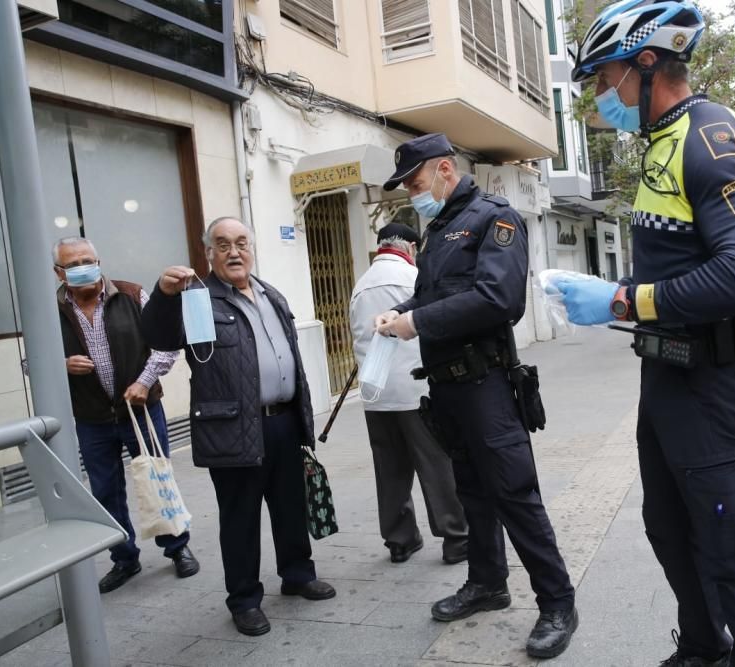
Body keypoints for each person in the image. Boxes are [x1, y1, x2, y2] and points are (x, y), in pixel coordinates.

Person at [562, 2, 735, 666]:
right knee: (668, 526)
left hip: (715, 382)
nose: (598, 97)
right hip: (667, 377)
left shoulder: (710, 138)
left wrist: (620, 297)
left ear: (645, 65)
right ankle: (703, 647)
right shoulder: (661, 140)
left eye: (603, 80)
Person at [375, 133, 578, 659]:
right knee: (472, 494)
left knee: (514, 495)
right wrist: (400, 312)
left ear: (444, 169)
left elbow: (499, 299)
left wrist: (416, 321)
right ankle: (487, 584)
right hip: (446, 388)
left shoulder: (495, 217)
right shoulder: (438, 228)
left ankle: (557, 602)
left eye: (417, 183)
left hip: (486, 384)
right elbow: (431, 295)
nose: (413, 194)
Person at [141, 217, 335, 637]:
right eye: (223, 244)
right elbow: (159, 337)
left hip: (283, 420)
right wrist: (163, 295)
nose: (234, 251)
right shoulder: (197, 301)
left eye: (242, 242)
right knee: (240, 518)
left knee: (290, 506)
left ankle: (298, 574)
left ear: (252, 247)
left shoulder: (271, 294)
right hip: (232, 429)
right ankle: (244, 599)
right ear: (208, 253)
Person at [51, 236, 197, 594]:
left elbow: (165, 345)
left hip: (140, 410)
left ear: (99, 261)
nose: (82, 267)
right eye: (72, 264)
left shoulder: (132, 295)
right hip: (91, 418)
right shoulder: (48, 310)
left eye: (88, 260)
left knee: (157, 480)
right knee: (104, 491)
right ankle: (124, 558)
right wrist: (61, 365)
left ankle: (177, 548)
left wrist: (144, 382)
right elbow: (29, 362)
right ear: (58, 272)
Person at [349, 222, 469, 565]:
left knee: (390, 470)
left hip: (375, 393)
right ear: (412, 247)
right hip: (417, 390)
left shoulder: (361, 285)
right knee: (436, 465)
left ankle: (400, 540)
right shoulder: (413, 278)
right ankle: (456, 537)